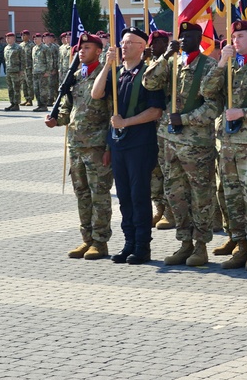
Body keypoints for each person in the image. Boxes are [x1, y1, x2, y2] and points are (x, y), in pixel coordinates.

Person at [143, 21, 220, 267]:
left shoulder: (209, 66)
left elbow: (214, 106)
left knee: (201, 196)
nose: (185, 39)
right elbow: (149, 83)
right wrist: (165, 56)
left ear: (201, 38)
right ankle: (184, 243)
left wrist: (185, 118)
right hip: (169, 143)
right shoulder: (173, 63)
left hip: (197, 144)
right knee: (175, 195)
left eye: (190, 35)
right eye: (182, 36)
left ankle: (200, 246)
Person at [201, 20, 247, 271]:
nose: (236, 41)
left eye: (241, 36)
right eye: (234, 37)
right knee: (230, 198)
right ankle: (240, 245)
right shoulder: (227, 68)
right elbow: (207, 91)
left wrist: (244, 112)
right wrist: (221, 62)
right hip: (228, 144)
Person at [92, 27, 165, 264]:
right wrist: (106, 65)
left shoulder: (148, 73)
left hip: (140, 144)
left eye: (130, 42)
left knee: (139, 195)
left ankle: (142, 246)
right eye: (123, 42)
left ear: (142, 47)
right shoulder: (117, 73)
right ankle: (128, 242)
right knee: (123, 196)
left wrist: (126, 122)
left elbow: (155, 111)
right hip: (119, 144)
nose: (124, 46)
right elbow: (96, 94)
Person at [44, 33, 112, 258]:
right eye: (80, 48)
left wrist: (110, 148)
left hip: (97, 146)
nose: (81, 51)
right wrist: (56, 120)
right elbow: (68, 110)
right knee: (82, 193)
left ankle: (100, 242)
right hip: (75, 144)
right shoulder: (74, 76)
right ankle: (87, 238)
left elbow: (113, 113)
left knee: (99, 195)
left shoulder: (106, 75)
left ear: (98, 51)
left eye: (87, 47)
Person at [147, 31, 174, 229]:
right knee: (154, 170)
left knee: (170, 170)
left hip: (167, 124)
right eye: (153, 43)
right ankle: (159, 207)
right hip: (150, 125)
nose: (156, 46)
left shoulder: (173, 64)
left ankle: (171, 212)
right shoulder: (150, 63)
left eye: (160, 42)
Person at [3, 32, 25, 111]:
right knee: (10, 88)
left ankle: (16, 104)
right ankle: (12, 103)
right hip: (9, 71)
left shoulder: (18, 48)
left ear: (13, 38)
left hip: (16, 71)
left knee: (16, 88)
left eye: (9, 38)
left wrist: (22, 70)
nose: (7, 39)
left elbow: (23, 59)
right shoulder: (6, 48)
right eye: (6, 38)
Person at [20, 29, 35, 106]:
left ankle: (30, 99)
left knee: (29, 84)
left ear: (28, 36)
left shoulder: (32, 45)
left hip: (29, 67)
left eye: (24, 35)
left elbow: (34, 57)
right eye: (22, 35)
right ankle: (26, 98)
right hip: (22, 68)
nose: (23, 37)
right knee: (24, 84)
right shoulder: (20, 45)